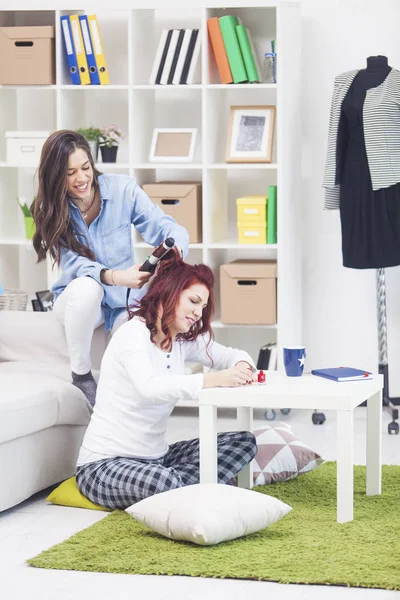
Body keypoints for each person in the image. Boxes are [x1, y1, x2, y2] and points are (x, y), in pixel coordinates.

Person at [75, 252, 258, 510]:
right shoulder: (133, 332)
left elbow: (231, 354)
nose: (198, 312)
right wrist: (210, 380)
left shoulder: (182, 339)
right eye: (193, 301)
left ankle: (192, 491)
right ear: (169, 292)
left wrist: (241, 366)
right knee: (166, 483)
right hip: (105, 465)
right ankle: (200, 489)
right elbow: (149, 388)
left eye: (203, 307)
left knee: (243, 442)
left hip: (158, 459)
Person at [31, 130, 189, 407]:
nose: (81, 178)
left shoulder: (123, 189)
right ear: (56, 175)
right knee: (88, 288)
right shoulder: (51, 208)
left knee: (133, 363)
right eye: (70, 173)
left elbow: (162, 224)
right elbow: (74, 264)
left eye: (85, 168)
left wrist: (176, 247)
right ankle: (81, 375)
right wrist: (116, 277)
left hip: (120, 304)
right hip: (76, 300)